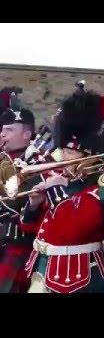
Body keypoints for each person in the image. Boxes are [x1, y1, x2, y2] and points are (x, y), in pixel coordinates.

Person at [19, 91, 104, 293]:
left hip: (78, 279)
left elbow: (71, 229)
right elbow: (32, 230)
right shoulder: (65, 183)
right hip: (42, 271)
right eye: (66, 150)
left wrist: (54, 190)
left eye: (72, 152)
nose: (65, 157)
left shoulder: (102, 189)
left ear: (91, 156)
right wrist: (33, 206)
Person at [0, 107, 38, 292]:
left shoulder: (37, 163)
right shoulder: (3, 159)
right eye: (2, 129)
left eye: (9, 130)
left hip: (18, 246)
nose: (2, 134)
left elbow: (17, 202)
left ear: (26, 134)